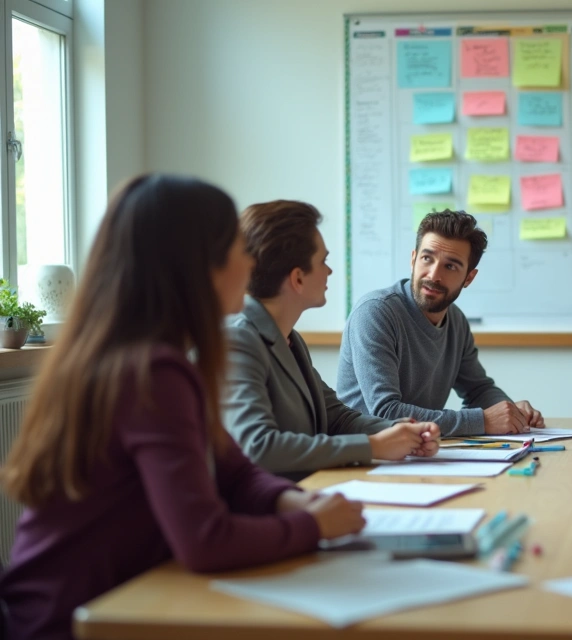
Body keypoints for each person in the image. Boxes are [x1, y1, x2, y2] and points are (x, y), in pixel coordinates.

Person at [0, 176, 366, 640]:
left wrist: (291, 499)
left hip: (125, 601)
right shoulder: (149, 371)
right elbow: (204, 542)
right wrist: (311, 526)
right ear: (199, 266)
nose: (251, 262)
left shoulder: (158, 356)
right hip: (70, 621)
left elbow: (236, 471)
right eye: (238, 247)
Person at [224, 200, 439, 481]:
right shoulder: (237, 339)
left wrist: (403, 430)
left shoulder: (289, 339)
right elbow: (259, 446)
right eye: (323, 261)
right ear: (298, 279)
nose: (330, 271)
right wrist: (374, 446)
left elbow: (336, 417)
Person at [338, 210, 543, 437]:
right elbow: (386, 412)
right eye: (427, 258)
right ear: (413, 259)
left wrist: (510, 411)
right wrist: (483, 420)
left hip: (421, 453)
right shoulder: (375, 312)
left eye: (450, 266)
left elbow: (478, 389)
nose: (434, 275)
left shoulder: (456, 321)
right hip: (366, 457)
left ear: (469, 278)